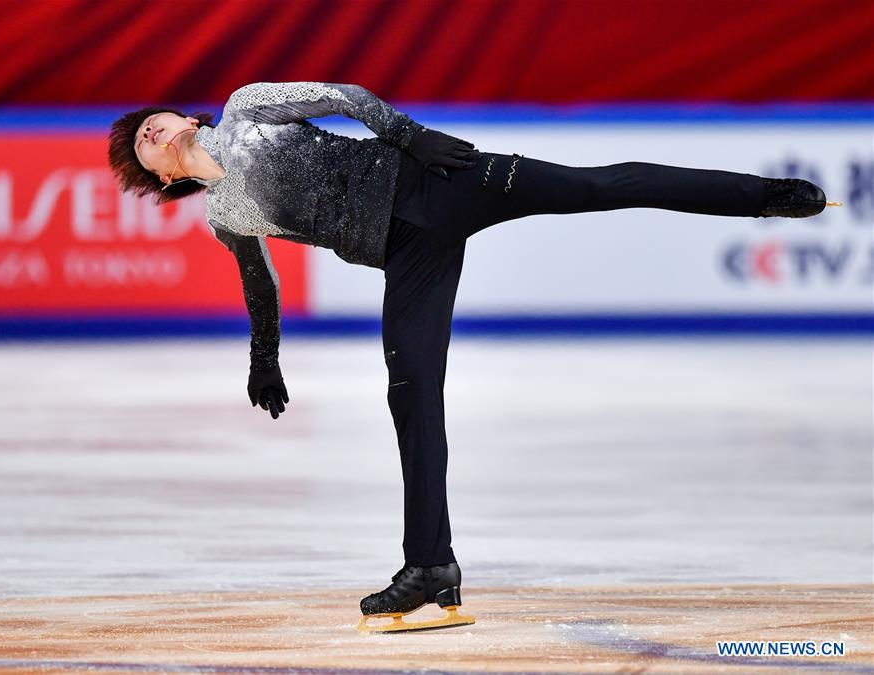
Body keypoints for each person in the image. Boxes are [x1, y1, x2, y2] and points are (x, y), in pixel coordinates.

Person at [108, 81, 833, 632]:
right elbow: (258, 283)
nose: (149, 129)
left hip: (440, 179)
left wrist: (413, 136)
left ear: (188, 119)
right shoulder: (224, 215)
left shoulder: (247, 109)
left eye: (151, 121)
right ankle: (431, 567)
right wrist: (262, 357)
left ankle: (763, 196)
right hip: (407, 252)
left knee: (595, 184)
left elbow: (344, 97)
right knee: (411, 392)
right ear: (161, 176)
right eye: (141, 143)